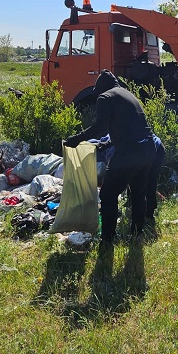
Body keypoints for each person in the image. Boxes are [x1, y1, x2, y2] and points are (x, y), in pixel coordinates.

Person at [64, 70, 155, 242]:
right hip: (148, 149)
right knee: (137, 193)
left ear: (101, 88)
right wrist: (106, 144)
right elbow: (126, 127)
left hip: (129, 152)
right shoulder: (128, 95)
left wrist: (76, 139)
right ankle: (137, 234)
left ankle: (107, 240)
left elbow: (100, 128)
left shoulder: (105, 97)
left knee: (107, 195)